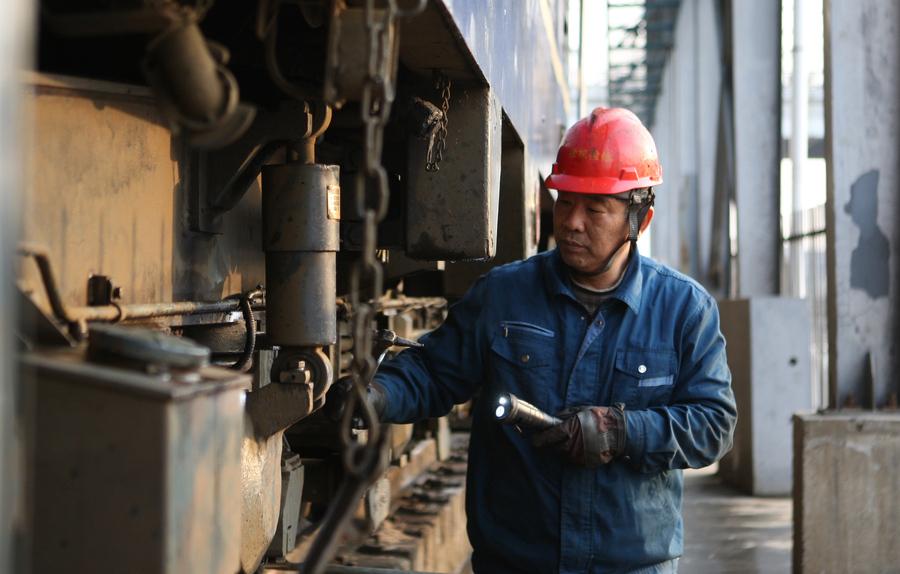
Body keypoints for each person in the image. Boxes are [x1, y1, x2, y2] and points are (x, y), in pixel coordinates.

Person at [335, 107, 737, 574]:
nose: (571, 222)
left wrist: (621, 431)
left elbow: (713, 425)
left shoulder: (684, 309)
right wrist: (379, 395)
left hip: (630, 564)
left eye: (595, 208)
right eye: (565, 201)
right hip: (518, 561)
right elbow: (434, 371)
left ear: (639, 218)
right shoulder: (503, 294)